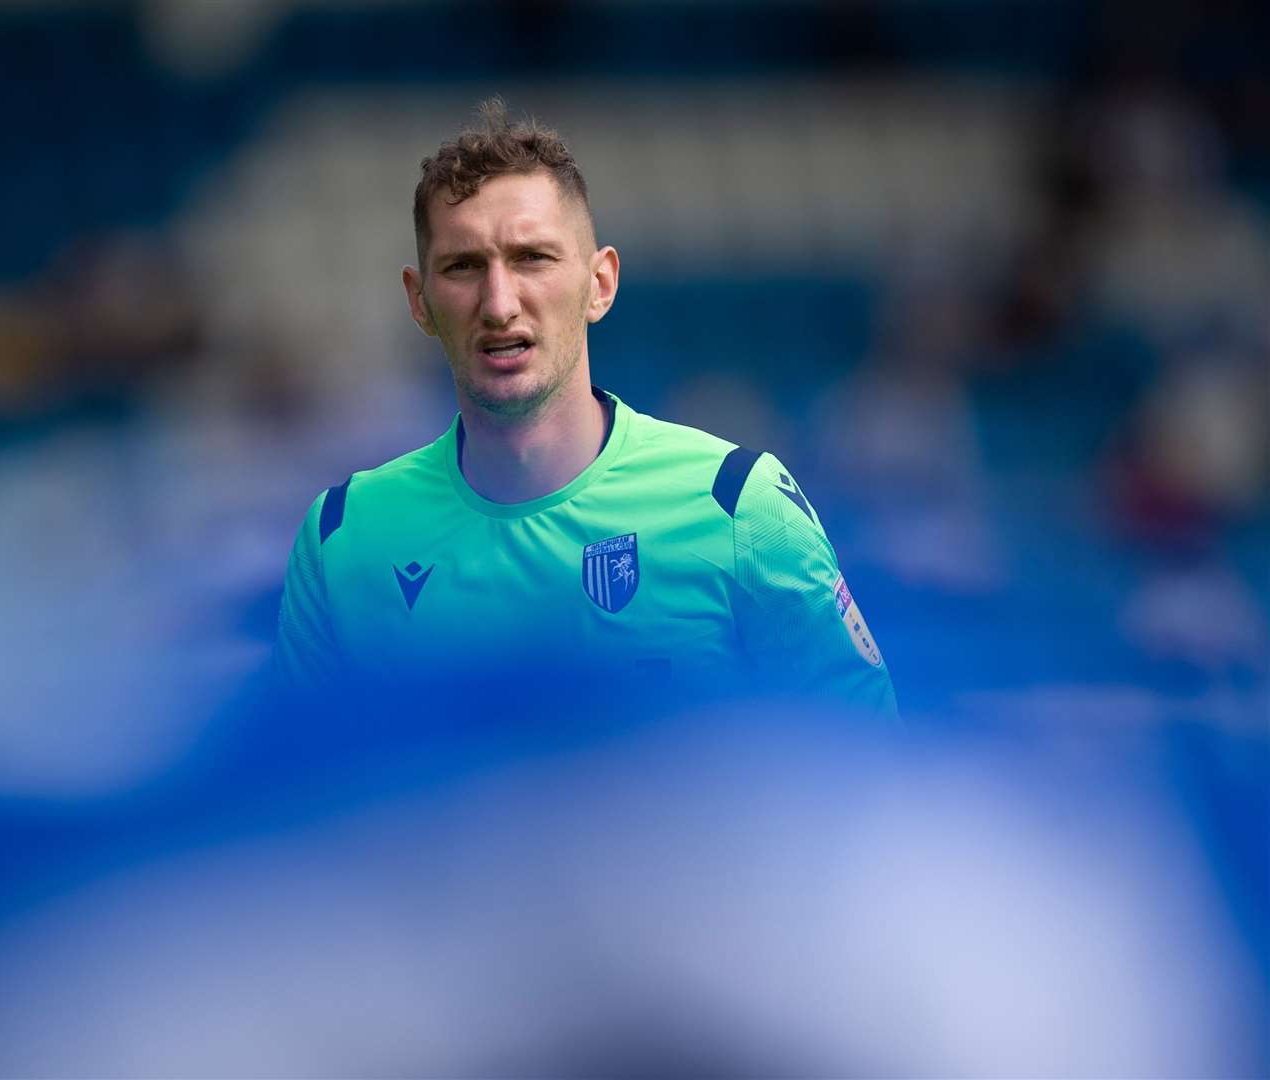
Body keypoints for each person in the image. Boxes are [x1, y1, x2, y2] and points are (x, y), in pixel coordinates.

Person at [275, 99, 897, 719]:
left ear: (600, 283)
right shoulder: (341, 539)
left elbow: (874, 776)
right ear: (419, 300)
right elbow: (290, 803)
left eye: (532, 259)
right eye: (463, 266)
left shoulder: (738, 505)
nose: (499, 303)